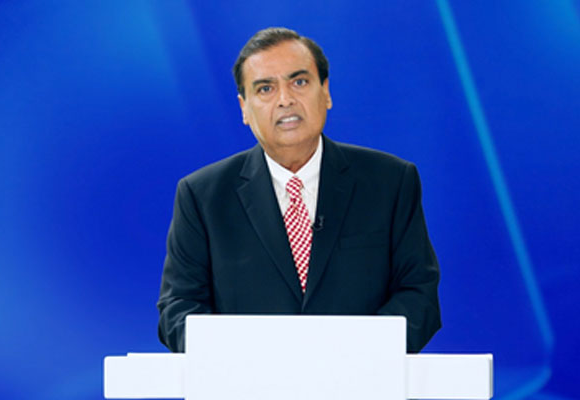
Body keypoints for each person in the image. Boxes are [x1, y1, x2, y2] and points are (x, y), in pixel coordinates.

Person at [157, 27, 441, 353]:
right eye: (265, 88)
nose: (285, 99)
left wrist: (352, 359)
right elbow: (178, 309)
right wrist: (252, 362)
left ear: (326, 92)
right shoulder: (202, 196)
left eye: (300, 82)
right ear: (244, 108)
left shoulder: (391, 181)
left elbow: (418, 294)